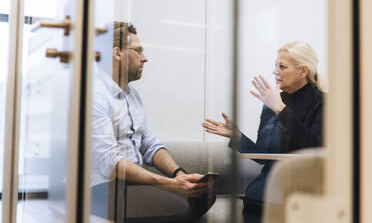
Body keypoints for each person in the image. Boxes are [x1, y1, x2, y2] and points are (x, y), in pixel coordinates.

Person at [91, 22, 215, 222]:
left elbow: (151, 145)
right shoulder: (95, 95)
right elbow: (111, 163)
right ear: (117, 53)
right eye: (138, 51)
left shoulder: (134, 96)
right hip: (100, 187)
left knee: (203, 194)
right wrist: (168, 184)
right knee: (176, 205)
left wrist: (179, 175)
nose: (145, 58)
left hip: (129, 183)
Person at [202, 41, 324, 223]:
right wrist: (238, 137)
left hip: (301, 187)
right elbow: (263, 155)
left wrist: (282, 110)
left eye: (282, 66)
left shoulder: (321, 101)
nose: (275, 71)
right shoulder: (272, 102)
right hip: (264, 190)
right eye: (275, 65)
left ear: (302, 71)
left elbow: (315, 147)